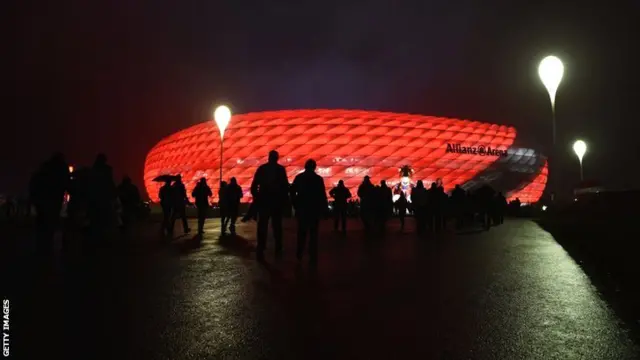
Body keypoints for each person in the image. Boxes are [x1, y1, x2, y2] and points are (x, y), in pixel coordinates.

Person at [250, 150, 290, 261]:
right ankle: (278, 247)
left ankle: (261, 246)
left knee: (262, 224)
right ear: (277, 158)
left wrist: (257, 197)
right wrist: (284, 200)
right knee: (277, 225)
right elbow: (285, 187)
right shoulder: (280, 170)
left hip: (264, 201)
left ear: (269, 158)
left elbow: (254, 186)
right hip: (276, 202)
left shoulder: (262, 169)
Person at [29, 153, 70, 256]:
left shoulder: (44, 169)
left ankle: (41, 249)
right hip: (53, 200)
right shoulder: (61, 168)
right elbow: (67, 183)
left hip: (42, 200)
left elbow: (34, 183)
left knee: (42, 224)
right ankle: (46, 250)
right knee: (50, 224)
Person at [290, 159, 328, 266]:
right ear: (314, 167)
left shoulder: (299, 177)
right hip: (314, 209)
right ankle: (312, 254)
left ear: (305, 166)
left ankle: (299, 253)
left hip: (302, 209)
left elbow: (292, 191)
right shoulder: (318, 179)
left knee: (301, 232)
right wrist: (324, 210)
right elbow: (322, 195)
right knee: (313, 233)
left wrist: (295, 204)